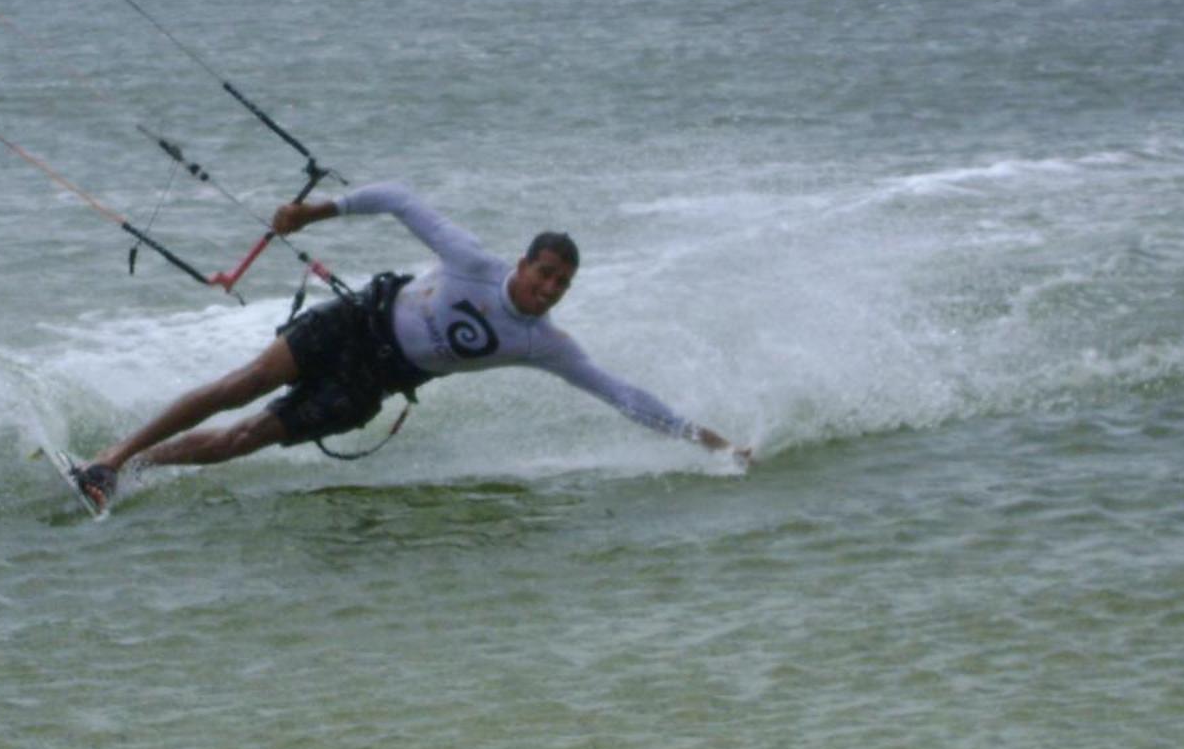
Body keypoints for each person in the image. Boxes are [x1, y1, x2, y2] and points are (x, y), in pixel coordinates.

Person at [70, 182, 748, 506]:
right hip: (357, 322)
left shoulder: (545, 344)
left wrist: (709, 442)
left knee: (240, 441)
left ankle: (127, 472)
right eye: (545, 274)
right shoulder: (472, 262)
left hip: (374, 383)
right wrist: (314, 212)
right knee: (237, 386)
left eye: (562, 285)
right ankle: (112, 457)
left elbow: (621, 395)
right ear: (524, 262)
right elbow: (399, 199)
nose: (549, 290)